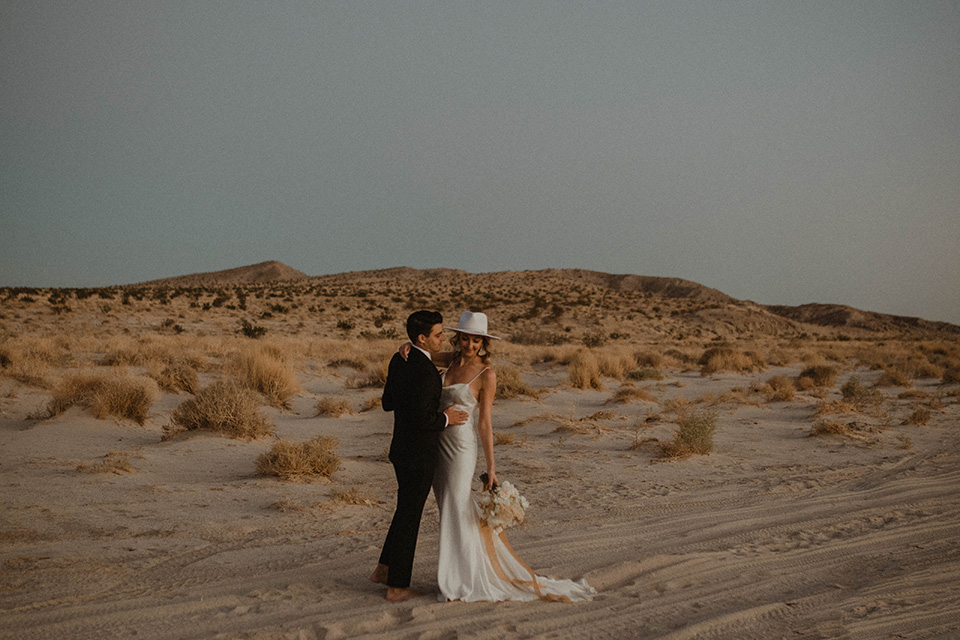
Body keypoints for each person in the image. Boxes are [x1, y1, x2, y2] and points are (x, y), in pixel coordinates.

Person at [409, 310, 596, 603]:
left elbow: (484, 423)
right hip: (437, 444)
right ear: (459, 339)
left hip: (461, 448)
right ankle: (456, 573)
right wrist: (405, 348)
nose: (470, 345)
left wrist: (492, 468)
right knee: (448, 508)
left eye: (476, 341)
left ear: (484, 342)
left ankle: (462, 579)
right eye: (465, 339)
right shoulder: (452, 360)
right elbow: (423, 356)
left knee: (458, 506)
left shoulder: (487, 374)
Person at [371, 310, 468, 602]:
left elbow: (388, 402)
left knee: (404, 511)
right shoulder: (424, 373)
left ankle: (384, 571)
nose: (443, 339)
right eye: (439, 335)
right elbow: (423, 418)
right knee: (410, 517)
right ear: (423, 338)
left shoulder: (400, 359)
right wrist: (447, 418)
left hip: (400, 450)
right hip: (418, 454)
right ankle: (397, 587)